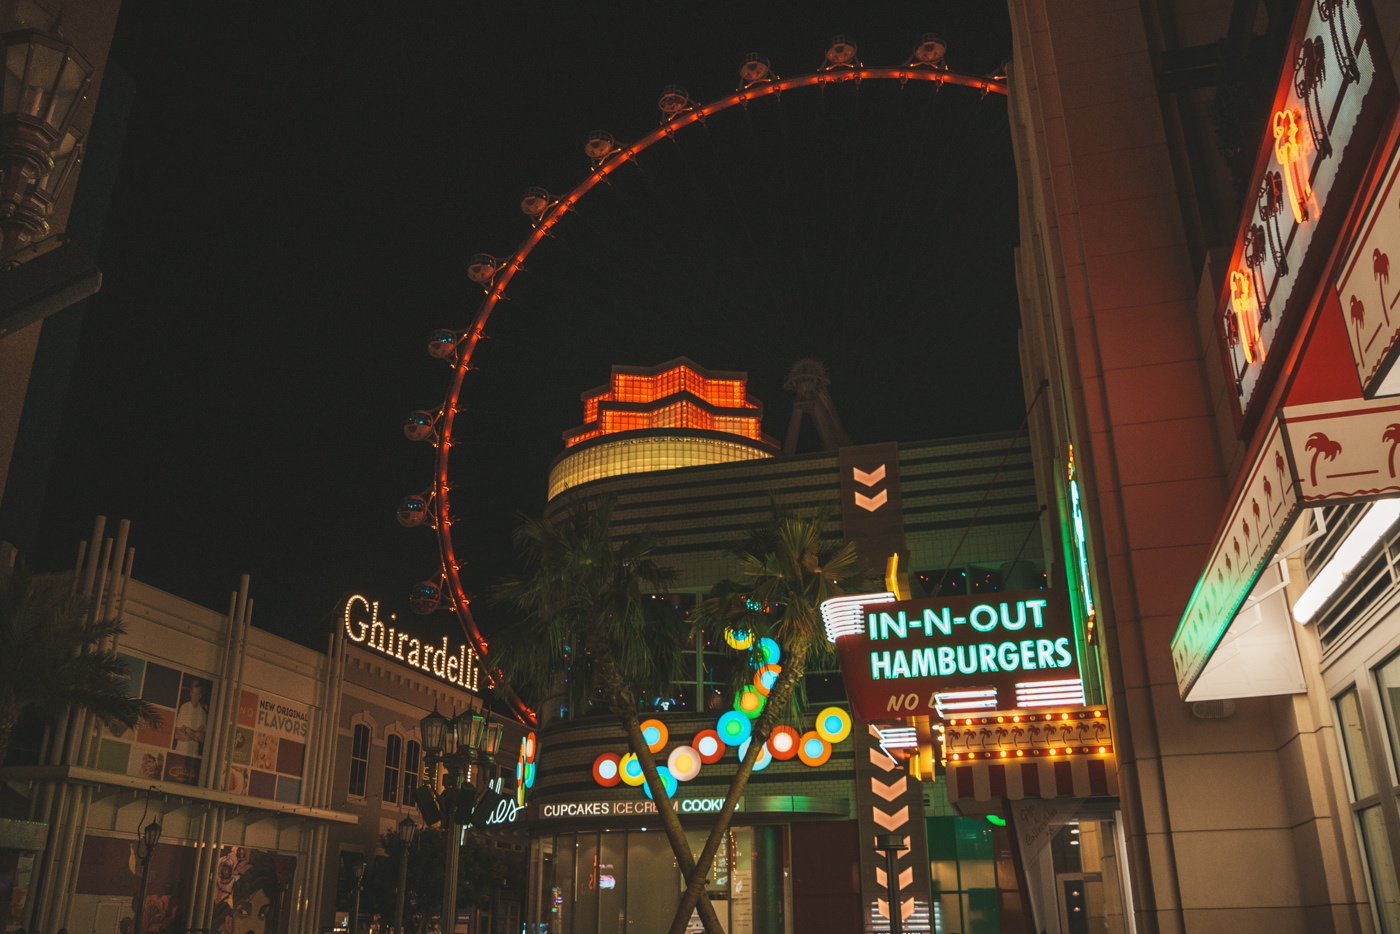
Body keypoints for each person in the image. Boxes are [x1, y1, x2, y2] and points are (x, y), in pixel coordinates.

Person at [172, 679, 209, 756]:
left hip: (193, 756)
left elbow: (202, 738)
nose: (194, 697)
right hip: (179, 752)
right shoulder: (183, 707)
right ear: (190, 693)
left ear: (200, 695)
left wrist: (186, 730)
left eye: (197, 694)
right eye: (193, 693)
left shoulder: (203, 713)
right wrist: (195, 735)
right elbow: (177, 735)